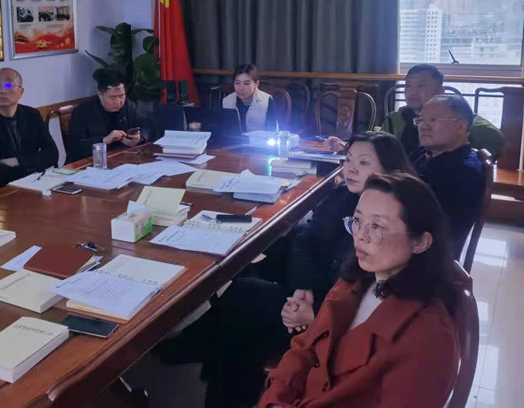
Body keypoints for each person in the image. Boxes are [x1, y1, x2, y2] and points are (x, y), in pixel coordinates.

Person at [157, 132, 413, 407]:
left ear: (389, 170)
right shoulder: (346, 195)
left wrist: (316, 312)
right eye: (348, 159)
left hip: (332, 322)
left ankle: (203, 349)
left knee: (244, 304)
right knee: (251, 268)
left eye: (363, 163)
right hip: (317, 291)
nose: (350, 169)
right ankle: (204, 344)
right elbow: (307, 236)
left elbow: (366, 294)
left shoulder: (389, 223)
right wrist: (303, 288)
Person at [260, 172, 459, 408]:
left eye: (377, 226)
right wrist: (275, 400)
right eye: (358, 221)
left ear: (420, 242)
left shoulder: (429, 338)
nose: (360, 237)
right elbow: (305, 347)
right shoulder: (358, 280)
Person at [410, 94, 485, 258]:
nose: (423, 126)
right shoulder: (425, 152)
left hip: (426, 255)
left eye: (433, 120)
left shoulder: (463, 171)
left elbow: (430, 224)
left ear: (460, 125)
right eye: (420, 120)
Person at [381, 63, 504, 156]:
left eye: (421, 85)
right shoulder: (395, 119)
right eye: (408, 85)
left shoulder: (459, 121)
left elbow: (493, 138)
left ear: (440, 91)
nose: (412, 92)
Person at [0, 68, 58, 191]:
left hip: (33, 184)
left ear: (21, 92)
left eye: (8, 85)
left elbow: (52, 154)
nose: (2, 90)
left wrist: (18, 161)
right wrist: (33, 161)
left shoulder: (32, 115)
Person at [66, 69, 144, 163]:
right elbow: (75, 148)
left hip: (122, 159)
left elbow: (148, 127)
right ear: (100, 95)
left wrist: (139, 139)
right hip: (90, 163)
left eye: (121, 96)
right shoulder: (82, 112)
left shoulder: (129, 106)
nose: (118, 102)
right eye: (113, 97)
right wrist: (104, 140)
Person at [222, 63, 277, 132]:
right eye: (237, 83)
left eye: (246, 83)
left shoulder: (267, 100)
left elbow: (272, 131)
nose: (241, 88)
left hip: (259, 139)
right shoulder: (227, 101)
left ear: (256, 84)